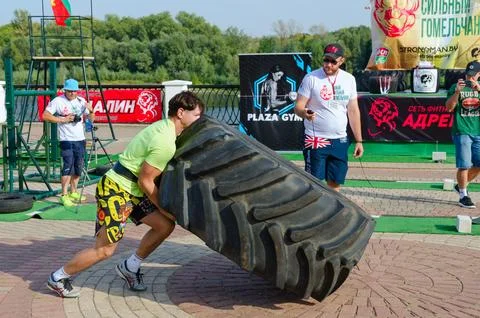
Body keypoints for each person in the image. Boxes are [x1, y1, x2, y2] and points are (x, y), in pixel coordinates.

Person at [46, 91, 204, 298]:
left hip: (132, 190)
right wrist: (165, 207)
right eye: (197, 116)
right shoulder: (165, 141)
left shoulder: (165, 126)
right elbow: (146, 181)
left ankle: (130, 267)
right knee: (104, 250)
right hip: (116, 190)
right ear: (181, 112)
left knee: (164, 225)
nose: (199, 120)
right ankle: (58, 278)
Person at [294, 43, 363, 191]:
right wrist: (304, 113)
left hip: (340, 139)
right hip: (316, 139)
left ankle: (333, 212)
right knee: (314, 183)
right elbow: (298, 107)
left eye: (333, 61)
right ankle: (315, 212)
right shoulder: (311, 78)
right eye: (326, 60)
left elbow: (353, 111)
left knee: (335, 183)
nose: (329, 65)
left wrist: (358, 140)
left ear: (341, 61)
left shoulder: (349, 79)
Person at [42, 78, 94, 207]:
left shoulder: (82, 101)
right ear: (65, 90)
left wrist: (91, 111)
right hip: (66, 140)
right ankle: (64, 195)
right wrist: (63, 120)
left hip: (80, 139)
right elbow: (45, 115)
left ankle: (74, 191)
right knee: (67, 166)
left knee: (78, 167)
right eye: (69, 91)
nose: (72, 93)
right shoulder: (58, 101)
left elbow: (91, 120)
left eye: (74, 91)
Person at [445, 61, 480, 208]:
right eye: (468, 75)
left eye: (473, 75)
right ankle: (463, 195)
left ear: (479, 75)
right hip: (462, 131)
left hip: (478, 131)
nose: (470, 78)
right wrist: (457, 92)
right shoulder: (455, 87)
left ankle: (461, 185)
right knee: (464, 165)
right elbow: (449, 108)